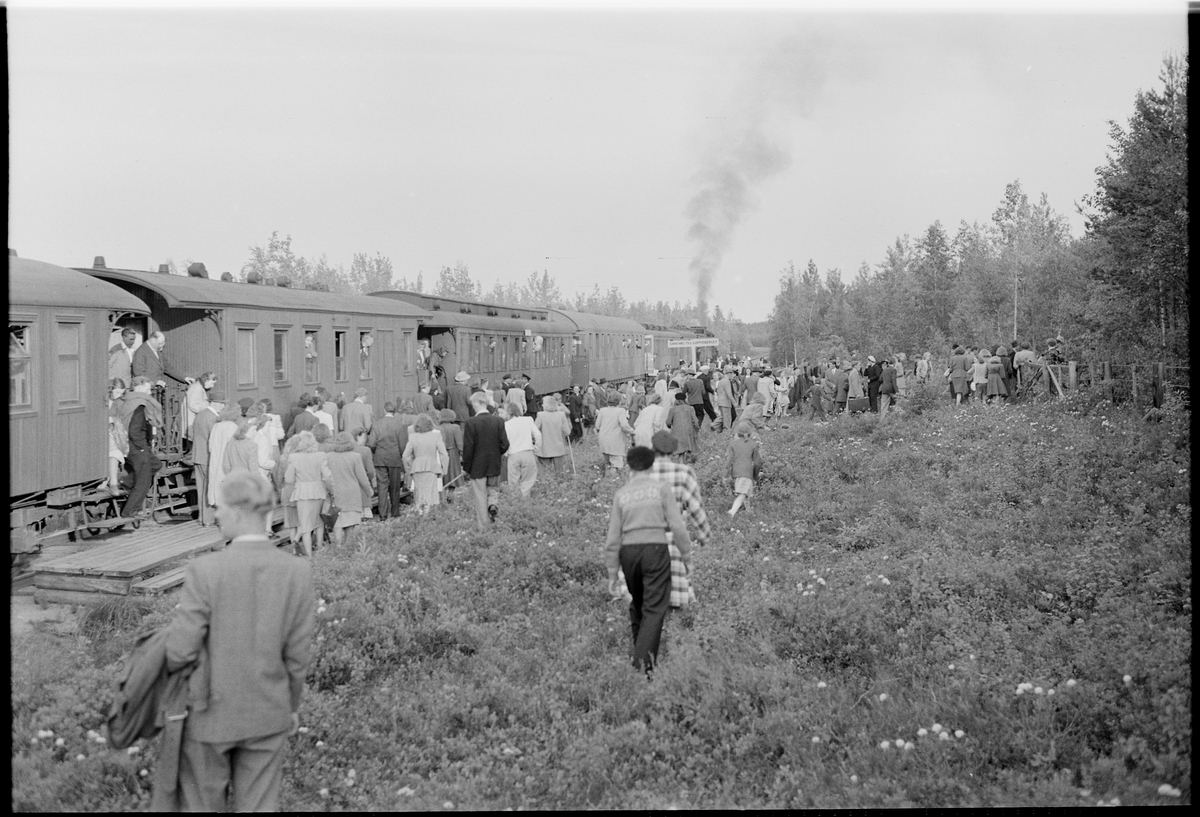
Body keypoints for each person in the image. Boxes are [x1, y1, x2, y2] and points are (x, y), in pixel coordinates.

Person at [163, 469, 315, 813]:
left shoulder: (205, 570)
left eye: (219, 507)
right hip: (268, 711)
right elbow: (297, 656)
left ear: (235, 512)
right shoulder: (297, 571)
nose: (215, 514)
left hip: (209, 713)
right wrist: (289, 705)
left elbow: (180, 651)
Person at [605, 445, 693, 674]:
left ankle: (640, 649)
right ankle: (642, 667)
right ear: (652, 465)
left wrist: (613, 574)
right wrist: (687, 556)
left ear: (629, 466)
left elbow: (613, 538)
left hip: (629, 553)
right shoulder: (661, 489)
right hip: (655, 550)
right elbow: (676, 525)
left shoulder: (621, 494)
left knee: (638, 603)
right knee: (654, 608)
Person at [648, 430, 711, 549]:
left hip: (645, 543)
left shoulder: (642, 473)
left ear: (653, 448)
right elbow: (696, 509)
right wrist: (705, 539)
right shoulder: (683, 473)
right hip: (674, 544)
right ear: (672, 450)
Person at [462, 391, 510, 529]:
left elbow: (468, 448)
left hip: (478, 467)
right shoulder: (499, 421)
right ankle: (493, 505)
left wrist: (467, 467)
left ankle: (484, 527)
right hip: (494, 465)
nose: (472, 406)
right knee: (493, 490)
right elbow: (505, 444)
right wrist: (496, 454)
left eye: (473, 404)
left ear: (478, 403)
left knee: (480, 496)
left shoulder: (471, 423)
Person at [119, 376, 164, 521]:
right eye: (148, 388)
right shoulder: (140, 404)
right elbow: (135, 430)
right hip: (136, 446)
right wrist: (142, 447)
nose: (150, 392)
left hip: (128, 444)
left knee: (156, 464)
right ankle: (129, 511)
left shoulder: (128, 400)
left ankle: (126, 482)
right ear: (140, 387)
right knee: (144, 481)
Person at [283, 431, 330, 557]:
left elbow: (289, 479)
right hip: (319, 491)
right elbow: (327, 475)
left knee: (305, 525)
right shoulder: (321, 455)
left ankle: (309, 555)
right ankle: (319, 550)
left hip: (302, 493)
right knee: (319, 522)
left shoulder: (294, 457)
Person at [325, 431, 373, 544]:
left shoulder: (328, 456)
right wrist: (369, 491)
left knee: (337, 522)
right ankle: (347, 546)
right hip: (352, 494)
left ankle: (338, 546)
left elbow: (326, 477)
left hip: (336, 493)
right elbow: (362, 478)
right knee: (350, 522)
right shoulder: (355, 457)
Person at [403, 414, 449, 514]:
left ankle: (419, 512)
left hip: (417, 467)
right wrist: (444, 469)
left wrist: (410, 468)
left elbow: (405, 456)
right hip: (431, 466)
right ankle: (425, 516)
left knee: (419, 492)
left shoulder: (413, 437)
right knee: (429, 492)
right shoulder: (436, 435)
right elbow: (444, 454)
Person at [367, 402, 404, 518]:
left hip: (380, 458)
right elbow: (402, 444)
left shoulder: (377, 424)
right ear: (395, 411)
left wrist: (376, 452)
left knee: (381, 486)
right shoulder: (399, 424)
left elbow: (371, 443)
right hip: (394, 458)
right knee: (395, 486)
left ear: (384, 410)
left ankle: (383, 514)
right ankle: (395, 512)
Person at [504, 400, 542, 495]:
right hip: (527, 452)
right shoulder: (528, 419)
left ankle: (515, 500)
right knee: (528, 479)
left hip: (513, 454)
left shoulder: (506, 424)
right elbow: (538, 435)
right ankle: (525, 498)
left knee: (513, 481)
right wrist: (536, 448)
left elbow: (505, 441)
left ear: (509, 412)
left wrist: (506, 453)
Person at [726, 421, 763, 516]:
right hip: (747, 471)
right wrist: (755, 475)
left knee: (746, 491)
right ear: (750, 433)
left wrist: (725, 474)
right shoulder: (753, 444)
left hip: (736, 471)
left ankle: (748, 510)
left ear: (738, 433)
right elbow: (757, 462)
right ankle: (732, 511)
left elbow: (729, 460)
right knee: (743, 493)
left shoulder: (733, 444)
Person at [274, 434, 304, 549]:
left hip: (287, 490)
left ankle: (294, 547)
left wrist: (280, 490)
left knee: (292, 524)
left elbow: (278, 479)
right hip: (299, 490)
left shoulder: (283, 458)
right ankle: (297, 538)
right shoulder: (301, 457)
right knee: (303, 520)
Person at [596, 392, 636, 476]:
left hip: (603, 440)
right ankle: (614, 482)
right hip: (615, 441)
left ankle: (607, 480)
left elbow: (597, 425)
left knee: (607, 463)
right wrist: (632, 431)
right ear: (619, 401)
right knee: (616, 464)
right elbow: (624, 425)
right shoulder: (621, 411)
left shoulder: (602, 410)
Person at [103, 378, 129, 496]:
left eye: (121, 393)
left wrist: (112, 419)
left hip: (112, 432)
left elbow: (121, 420)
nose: (119, 395)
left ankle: (113, 482)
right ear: (110, 389)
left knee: (114, 452)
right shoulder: (103, 400)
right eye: (117, 392)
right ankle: (108, 481)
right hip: (101, 432)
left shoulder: (120, 403)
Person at [534, 395, 571, 475]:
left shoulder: (540, 415)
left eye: (543, 403)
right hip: (558, 448)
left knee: (543, 473)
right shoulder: (561, 415)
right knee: (559, 473)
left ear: (547, 404)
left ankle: (544, 486)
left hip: (544, 448)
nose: (542, 405)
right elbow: (567, 432)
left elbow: (534, 431)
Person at [438, 408, 464, 502]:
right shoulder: (455, 427)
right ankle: (450, 495)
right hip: (453, 453)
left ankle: (442, 496)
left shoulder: (438, 427)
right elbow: (459, 443)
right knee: (453, 475)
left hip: (441, 453)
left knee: (443, 476)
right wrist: (462, 453)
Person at [665, 391, 700, 462]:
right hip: (689, 432)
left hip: (677, 432)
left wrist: (670, 426)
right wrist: (697, 429)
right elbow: (696, 422)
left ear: (676, 400)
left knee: (680, 451)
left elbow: (668, 422)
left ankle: (681, 464)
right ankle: (689, 461)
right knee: (689, 447)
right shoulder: (690, 408)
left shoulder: (672, 409)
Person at [183, 372, 216, 447]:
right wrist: (206, 409)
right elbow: (193, 405)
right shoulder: (197, 388)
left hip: (191, 419)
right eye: (212, 383)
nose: (212, 386)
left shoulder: (199, 387)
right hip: (190, 419)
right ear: (206, 380)